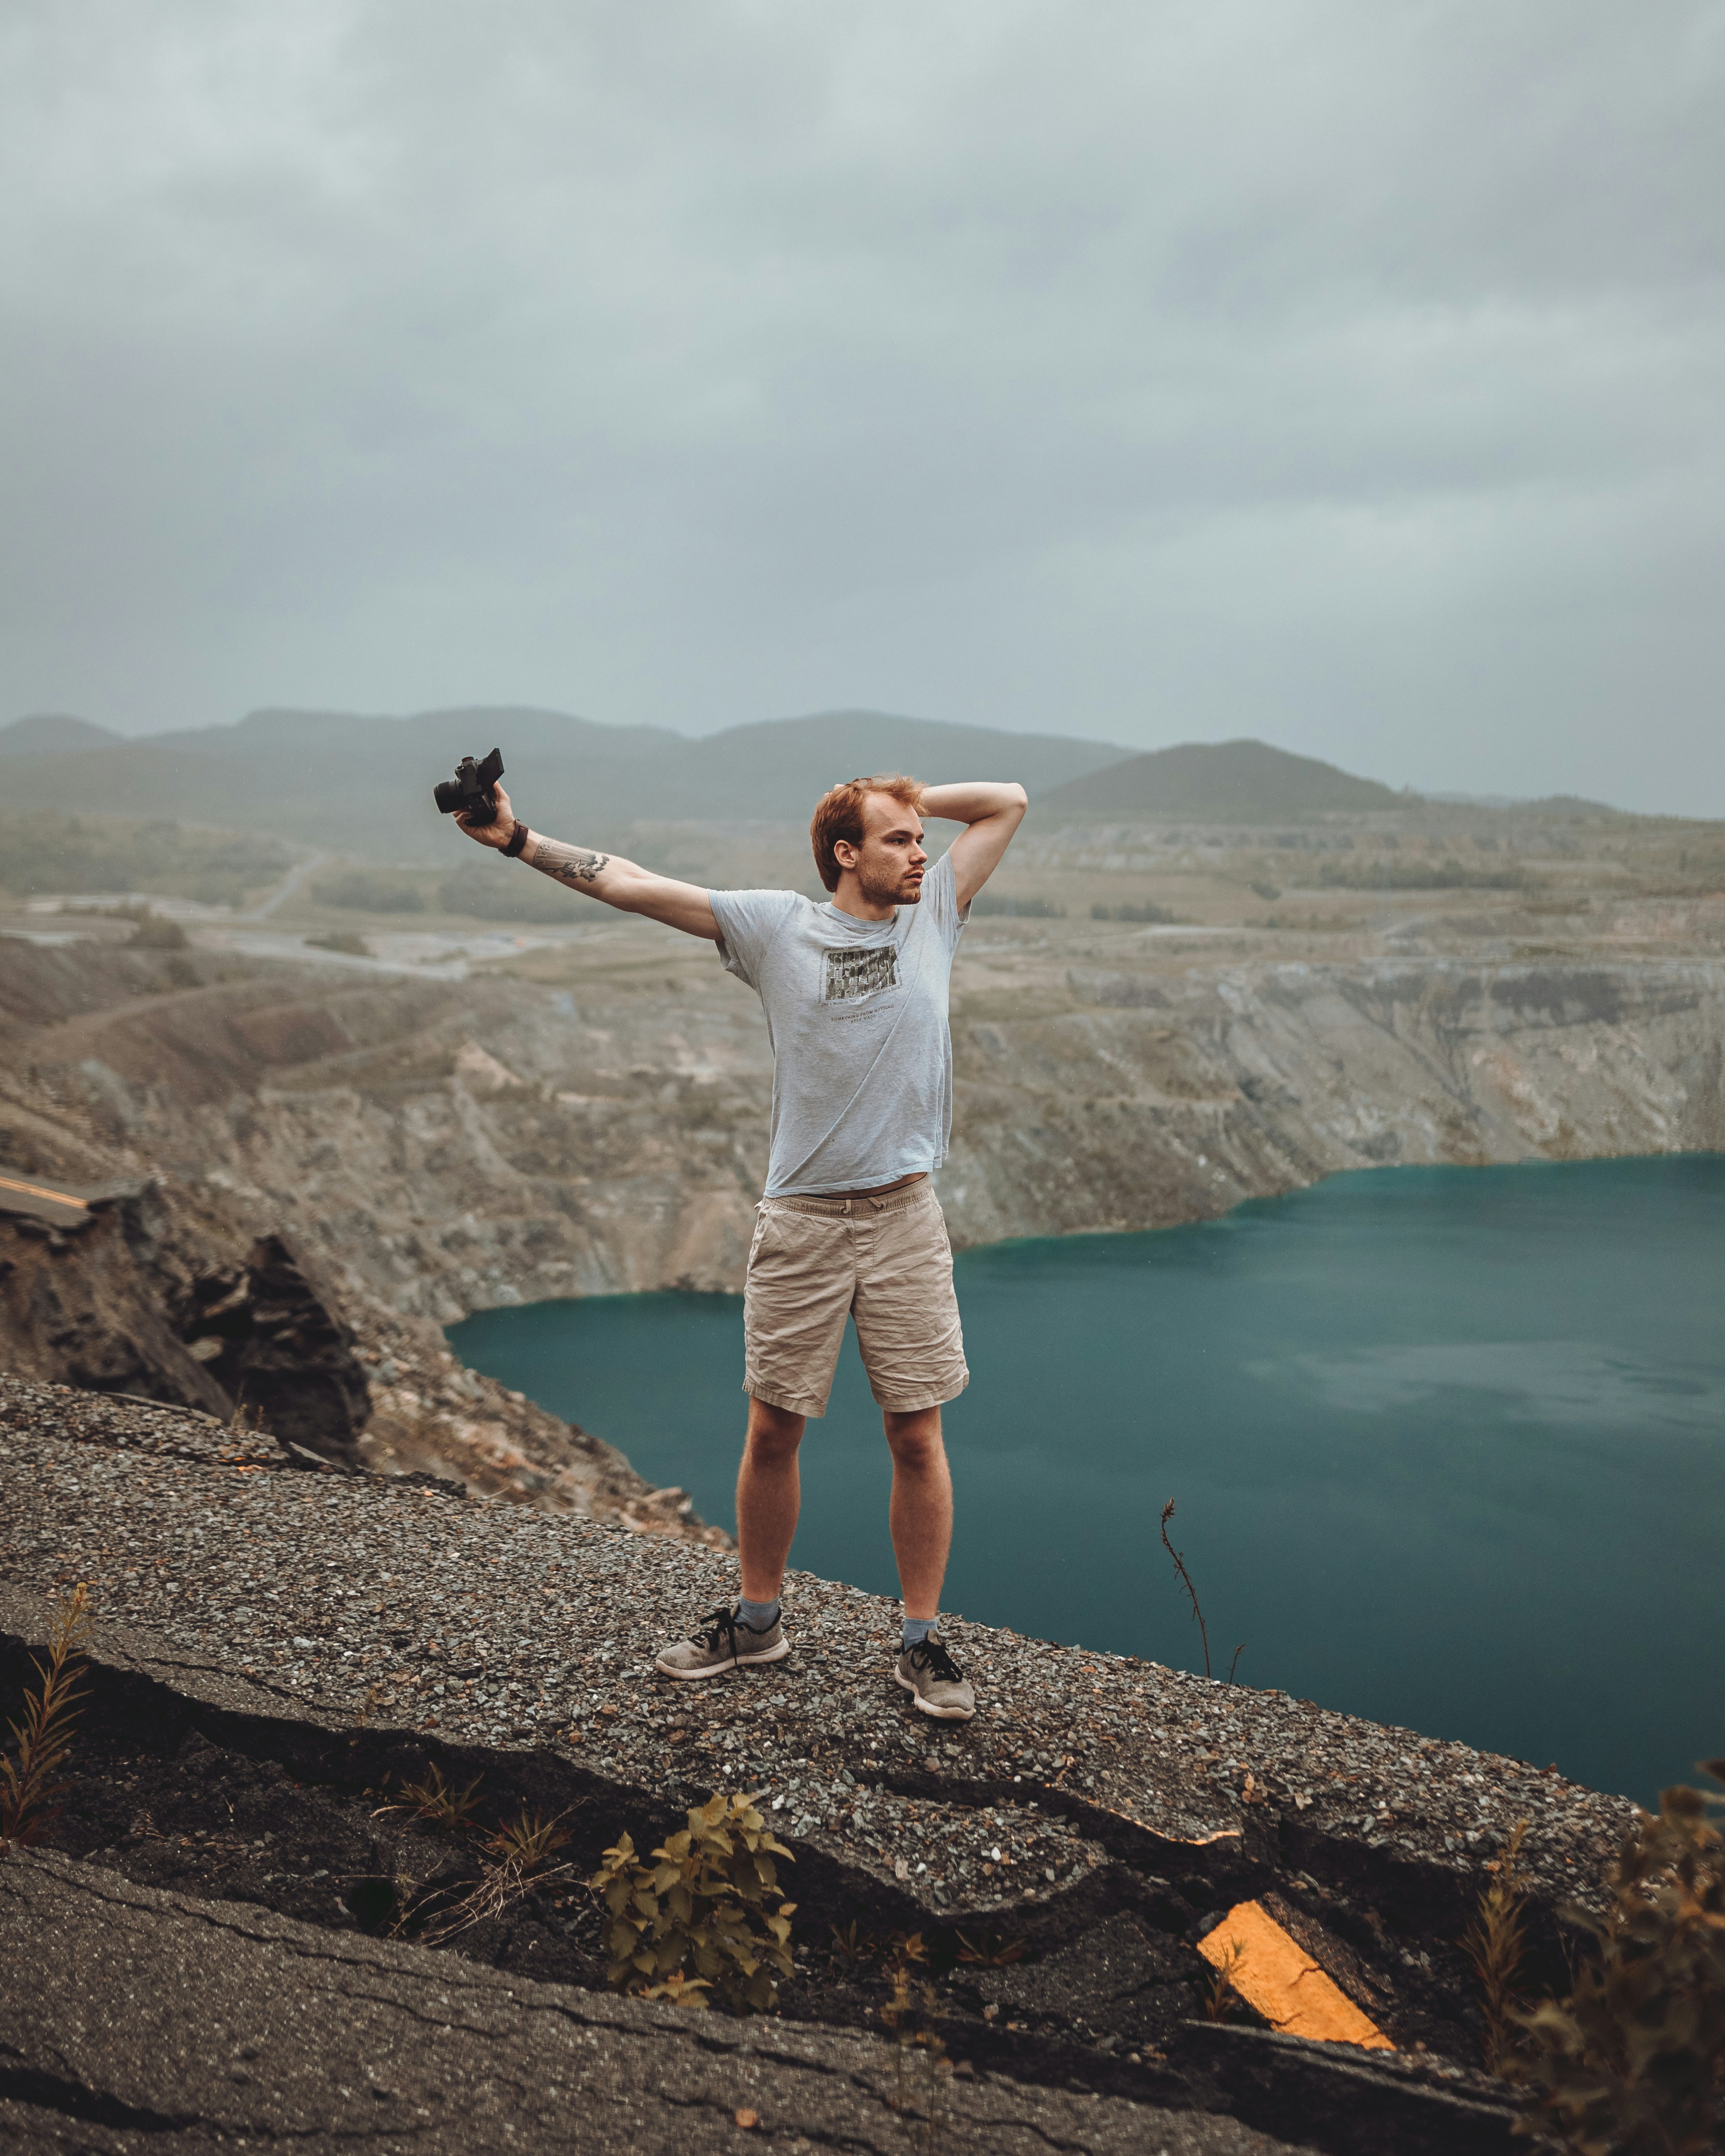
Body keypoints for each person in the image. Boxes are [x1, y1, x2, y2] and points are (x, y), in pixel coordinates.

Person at [455, 766, 1027, 1719]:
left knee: (916, 1437)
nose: (921, 852)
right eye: (897, 840)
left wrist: (906, 795)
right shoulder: (777, 927)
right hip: (802, 1220)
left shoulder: (937, 915)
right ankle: (758, 1622)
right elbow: (629, 883)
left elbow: (1006, 798)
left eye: (924, 838)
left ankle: (922, 1644)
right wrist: (518, 840)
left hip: (903, 1219)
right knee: (773, 1431)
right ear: (845, 856)